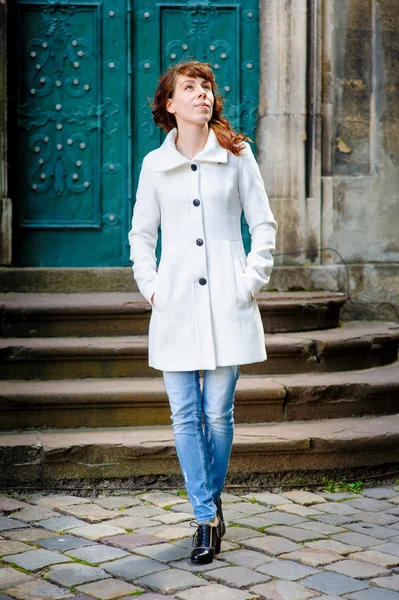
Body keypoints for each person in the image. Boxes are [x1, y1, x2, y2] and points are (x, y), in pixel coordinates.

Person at [128, 60, 278, 564]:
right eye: (189, 88)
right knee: (184, 414)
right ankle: (205, 516)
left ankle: (206, 509)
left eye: (207, 86)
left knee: (217, 412)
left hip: (227, 302)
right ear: (169, 105)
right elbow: (141, 235)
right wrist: (152, 287)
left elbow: (263, 225)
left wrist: (249, 280)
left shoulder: (237, 156)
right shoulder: (154, 165)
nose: (201, 95)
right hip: (173, 304)